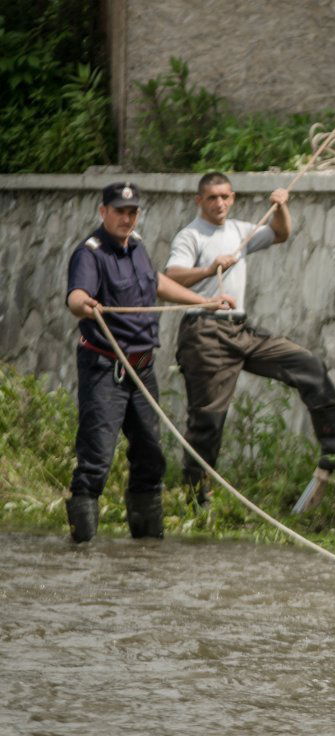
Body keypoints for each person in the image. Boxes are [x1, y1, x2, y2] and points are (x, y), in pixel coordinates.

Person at [164, 173, 335, 507]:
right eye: (212, 198)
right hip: (205, 333)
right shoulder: (190, 236)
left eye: (225, 197)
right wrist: (208, 269)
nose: (220, 204)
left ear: (233, 198)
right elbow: (172, 275)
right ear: (199, 201)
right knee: (208, 420)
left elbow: (281, 233)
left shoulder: (240, 230)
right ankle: (193, 498)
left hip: (240, 329)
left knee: (308, 365)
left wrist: (280, 207)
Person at [65, 182, 234, 543]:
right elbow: (76, 296)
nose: (127, 218)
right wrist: (85, 305)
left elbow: (156, 282)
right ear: (103, 212)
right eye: (119, 211)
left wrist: (203, 302)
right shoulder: (90, 254)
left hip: (141, 368)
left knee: (151, 455)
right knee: (96, 458)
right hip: (104, 368)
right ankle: (80, 551)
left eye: (132, 211)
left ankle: (147, 547)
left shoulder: (137, 247)